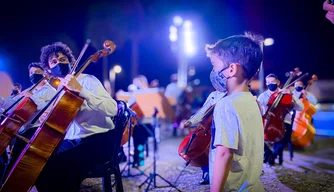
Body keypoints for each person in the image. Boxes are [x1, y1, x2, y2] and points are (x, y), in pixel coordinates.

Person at [31, 42, 119, 192]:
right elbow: (65, 120)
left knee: (60, 166)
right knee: (38, 163)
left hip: (99, 141)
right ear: (48, 69)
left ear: (71, 62)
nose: (59, 62)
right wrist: (48, 116)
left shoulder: (87, 80)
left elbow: (113, 109)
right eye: (54, 61)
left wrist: (80, 90)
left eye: (63, 59)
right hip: (74, 140)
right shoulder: (60, 88)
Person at [204, 32, 265, 191]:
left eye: (214, 65)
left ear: (231, 69)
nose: (214, 71)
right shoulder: (252, 101)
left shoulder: (226, 105)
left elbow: (224, 154)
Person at [257, 74, 304, 165]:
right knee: (258, 136)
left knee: (284, 138)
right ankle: (268, 152)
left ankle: (273, 155)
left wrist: (291, 94)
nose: (270, 84)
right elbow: (257, 108)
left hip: (283, 120)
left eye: (272, 82)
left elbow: (300, 108)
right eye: (268, 82)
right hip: (268, 120)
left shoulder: (285, 94)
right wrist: (263, 114)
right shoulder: (263, 96)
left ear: (278, 82)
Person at [183, 90, 226, 185]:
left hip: (226, 126)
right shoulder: (214, 95)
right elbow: (204, 110)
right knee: (205, 150)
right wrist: (192, 121)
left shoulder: (234, 94)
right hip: (211, 127)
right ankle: (208, 172)